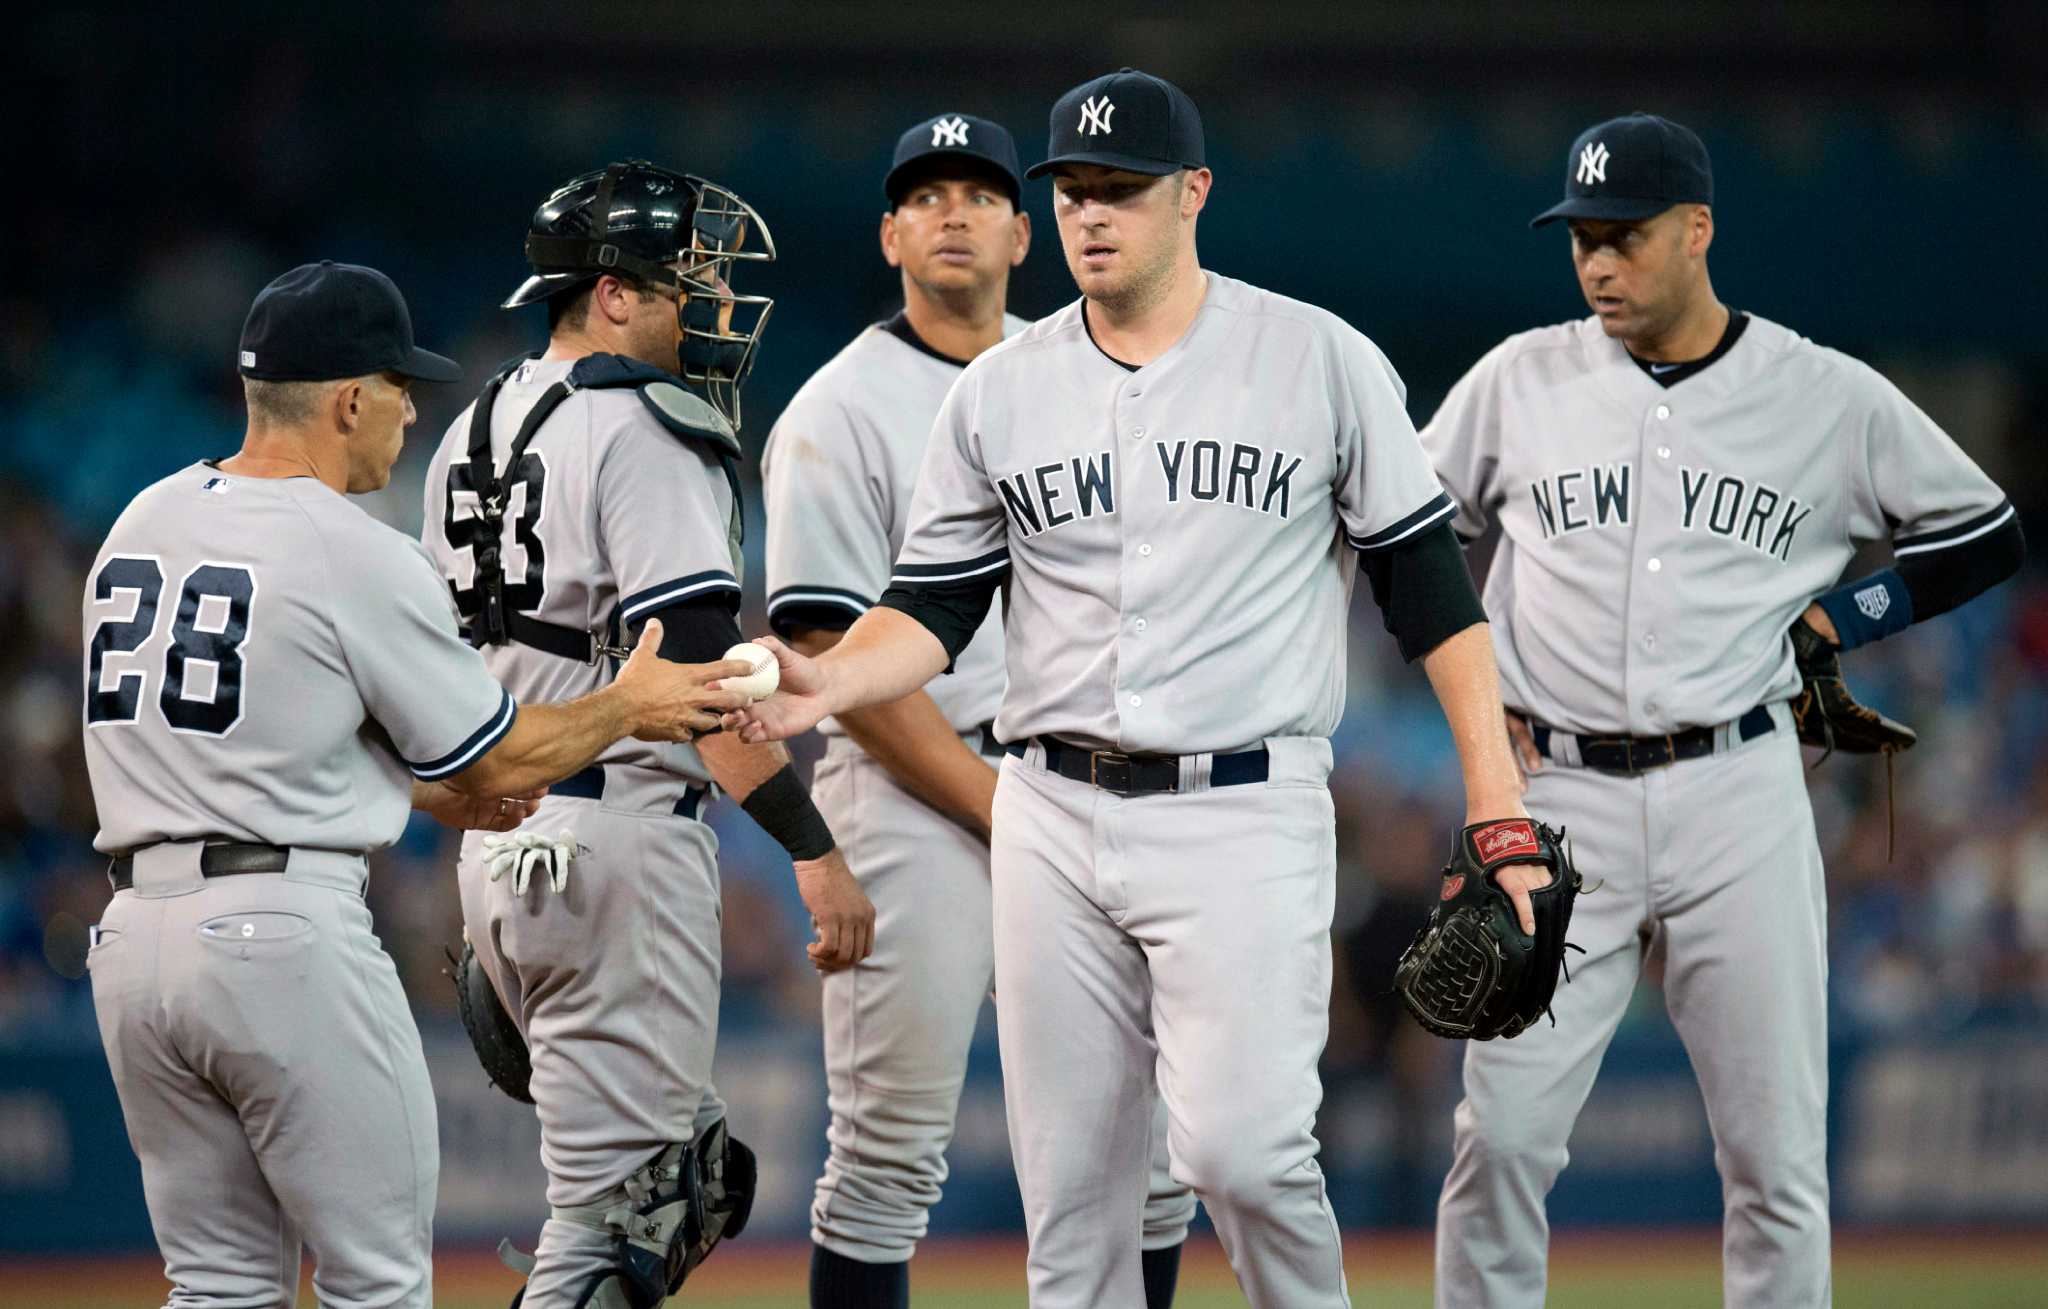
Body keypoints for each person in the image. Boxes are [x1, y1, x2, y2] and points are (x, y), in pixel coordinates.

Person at [729, 69, 1549, 1308]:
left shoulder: (1316, 359)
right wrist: (827, 676)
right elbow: (936, 607)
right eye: (1073, 190)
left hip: (1242, 804)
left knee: (1242, 1155)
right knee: (1075, 1209)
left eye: (1121, 189)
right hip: (1048, 808)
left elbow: (1432, 594)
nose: (1091, 214)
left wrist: (1495, 804)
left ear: (1193, 195)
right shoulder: (997, 389)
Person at [1421, 112, 2025, 1307]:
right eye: (1580, 238)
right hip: (1559, 802)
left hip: (1735, 791)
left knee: (1772, 1161)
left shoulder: (1819, 393)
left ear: (1695, 231)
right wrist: (1476, 700)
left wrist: (1840, 620)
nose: (1595, 261)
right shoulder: (1515, 380)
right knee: (1498, 1143)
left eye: (1623, 236)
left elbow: (1982, 530)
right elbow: (1410, 537)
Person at [81, 260, 749, 1309]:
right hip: (280, 936)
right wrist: (630, 704)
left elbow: (280, 742)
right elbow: (491, 754)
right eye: (400, 391)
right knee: (378, 1282)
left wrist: (437, 799)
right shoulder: (350, 545)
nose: (407, 417)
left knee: (216, 1286)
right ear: (350, 398)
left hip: (130, 945)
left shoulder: (142, 522)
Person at [420, 161, 875, 1309]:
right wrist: (812, 851)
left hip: (504, 836)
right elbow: (702, 687)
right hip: (617, 838)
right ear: (612, 293)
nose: (710, 307)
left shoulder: (465, 432)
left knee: (685, 1179)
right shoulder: (642, 425)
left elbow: (435, 686)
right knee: (634, 1210)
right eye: (690, 281)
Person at [762, 111, 1195, 1309]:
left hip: (1075, 784)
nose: (952, 212)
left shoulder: (1080, 379)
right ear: (891, 234)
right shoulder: (837, 408)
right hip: (911, 794)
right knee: (889, 1161)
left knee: (1159, 1156)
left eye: (979, 194)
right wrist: (995, 803)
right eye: (925, 194)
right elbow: (820, 654)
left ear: (1024, 230)